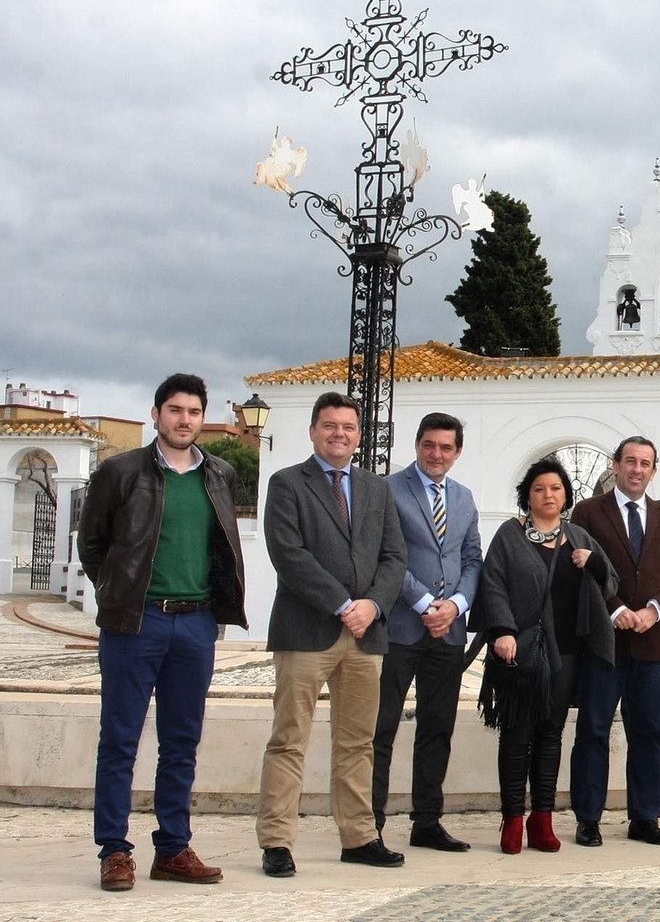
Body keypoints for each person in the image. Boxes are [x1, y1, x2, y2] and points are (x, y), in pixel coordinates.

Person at [79, 373, 246, 892]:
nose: (185, 420)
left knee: (181, 742)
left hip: (196, 625)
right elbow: (93, 545)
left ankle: (173, 848)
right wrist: (119, 593)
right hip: (137, 623)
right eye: (175, 410)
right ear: (156, 414)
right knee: (120, 740)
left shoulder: (219, 473)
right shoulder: (120, 472)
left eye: (194, 412)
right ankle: (114, 850)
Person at [256, 391, 409, 877]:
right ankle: (277, 841)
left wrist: (373, 604)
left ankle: (359, 836)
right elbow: (288, 554)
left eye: (347, 426)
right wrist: (344, 605)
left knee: (358, 742)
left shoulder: (376, 488)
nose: (338, 433)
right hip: (307, 631)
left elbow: (394, 557)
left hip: (366, 637)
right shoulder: (286, 484)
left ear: (359, 435)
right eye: (329, 425)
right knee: (289, 740)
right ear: (313, 431)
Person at [472, 458, 618, 854]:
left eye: (555, 488)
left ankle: (543, 820)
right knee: (517, 733)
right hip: (518, 650)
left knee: (551, 734)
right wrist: (502, 630)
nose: (548, 495)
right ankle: (513, 820)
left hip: (567, 653)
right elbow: (493, 583)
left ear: (566, 495)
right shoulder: (510, 534)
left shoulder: (579, 537)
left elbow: (611, 583)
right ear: (528, 496)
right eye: (539, 489)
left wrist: (596, 562)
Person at [567, 436, 660, 847]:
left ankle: (645, 817)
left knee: (651, 732)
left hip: (653, 641)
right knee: (594, 729)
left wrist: (654, 609)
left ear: (654, 471)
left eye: (645, 463)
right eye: (630, 461)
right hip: (604, 643)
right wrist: (616, 609)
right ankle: (588, 818)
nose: (637, 469)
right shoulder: (587, 512)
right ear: (616, 464)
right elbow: (578, 570)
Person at [371, 413, 483, 853]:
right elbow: (388, 555)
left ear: (457, 452)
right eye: (429, 445)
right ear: (416, 445)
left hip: (448, 633)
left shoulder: (464, 497)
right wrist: (422, 604)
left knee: (438, 727)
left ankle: (427, 822)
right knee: (381, 729)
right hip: (400, 627)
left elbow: (473, 559)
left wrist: (456, 605)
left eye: (446, 447)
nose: (437, 454)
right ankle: (371, 823)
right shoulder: (388, 490)